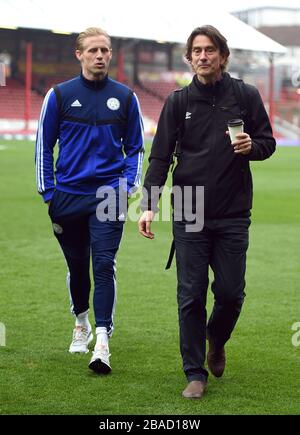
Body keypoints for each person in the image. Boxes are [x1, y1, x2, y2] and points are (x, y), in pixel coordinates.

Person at [138, 25, 275, 398]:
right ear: (189, 57)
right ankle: (194, 372)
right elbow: (160, 157)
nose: (202, 56)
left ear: (223, 56)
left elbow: (268, 142)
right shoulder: (178, 102)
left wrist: (253, 146)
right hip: (188, 209)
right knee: (191, 293)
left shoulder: (245, 95)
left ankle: (216, 340)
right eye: (196, 50)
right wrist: (149, 204)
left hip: (233, 211)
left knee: (231, 294)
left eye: (209, 50)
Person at [35, 27, 144, 374]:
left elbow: (136, 148)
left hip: (109, 196)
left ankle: (101, 341)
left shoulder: (126, 97)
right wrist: (49, 193)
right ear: (79, 54)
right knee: (78, 266)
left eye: (106, 50)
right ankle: (80, 321)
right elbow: (44, 147)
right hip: (67, 197)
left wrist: (127, 187)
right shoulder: (59, 95)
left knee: (104, 265)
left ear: (111, 54)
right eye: (93, 50)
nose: (100, 56)